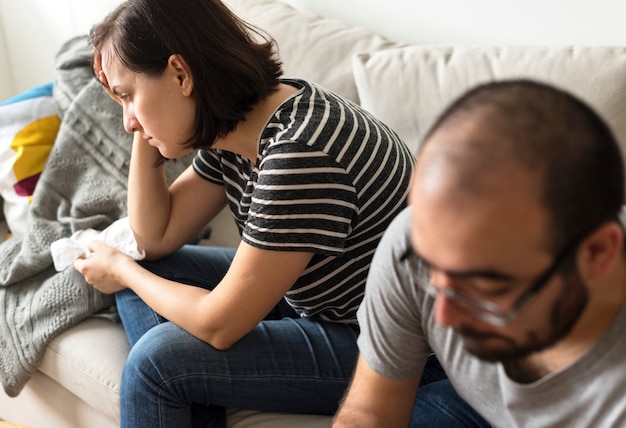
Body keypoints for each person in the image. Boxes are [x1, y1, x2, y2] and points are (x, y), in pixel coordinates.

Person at [70, 0, 487, 426]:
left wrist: (121, 269)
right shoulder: (241, 124)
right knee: (155, 272)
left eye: (127, 96)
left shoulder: (301, 151)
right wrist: (147, 122)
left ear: (181, 74)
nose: (126, 122)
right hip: (323, 306)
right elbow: (154, 235)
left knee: (156, 361)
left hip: (398, 351)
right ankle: (198, 394)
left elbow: (220, 325)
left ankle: (191, 390)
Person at [333, 78, 626, 427]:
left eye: (485, 288)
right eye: (433, 276)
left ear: (596, 253)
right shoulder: (417, 244)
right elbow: (370, 413)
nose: (444, 318)